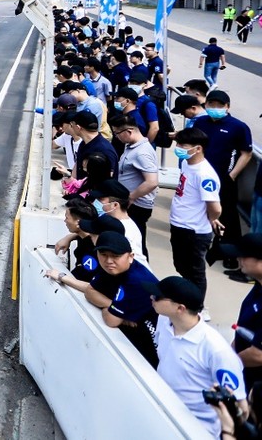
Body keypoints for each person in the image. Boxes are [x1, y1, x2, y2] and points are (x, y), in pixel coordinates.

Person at [148, 275, 248, 438]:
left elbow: (239, 405)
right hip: (162, 412)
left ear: (180, 308)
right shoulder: (164, 319)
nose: (152, 298)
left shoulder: (216, 350)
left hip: (195, 430)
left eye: (158, 297)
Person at [194, 90, 255, 282]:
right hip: (201, 177)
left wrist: (233, 174)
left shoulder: (238, 127)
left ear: (227, 107)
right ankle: (208, 245)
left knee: (227, 215)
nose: (215, 108)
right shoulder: (201, 122)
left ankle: (229, 252)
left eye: (219, 105)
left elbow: (246, 153)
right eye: (211, 104)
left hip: (224, 179)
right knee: (202, 210)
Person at [82, 231, 160, 366]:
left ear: (130, 257)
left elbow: (111, 320)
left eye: (115, 256)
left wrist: (113, 312)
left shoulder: (137, 280)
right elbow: (90, 291)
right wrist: (114, 308)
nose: (108, 261)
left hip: (152, 346)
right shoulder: (111, 268)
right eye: (103, 255)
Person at [170, 127, 224, 295]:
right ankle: (187, 296)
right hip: (179, 224)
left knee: (195, 272)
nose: (178, 147)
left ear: (198, 148)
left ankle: (197, 306)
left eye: (183, 145)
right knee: (181, 266)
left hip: (193, 230)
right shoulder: (187, 163)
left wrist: (211, 218)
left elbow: (215, 207)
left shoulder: (205, 174)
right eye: (178, 143)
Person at [111, 115, 159, 260]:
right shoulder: (131, 146)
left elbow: (152, 182)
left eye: (118, 133)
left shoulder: (142, 152)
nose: (117, 137)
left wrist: (131, 197)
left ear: (129, 131)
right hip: (131, 203)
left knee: (136, 243)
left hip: (137, 206)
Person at [222, 233, 262, 394]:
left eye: (243, 255)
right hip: (244, 375)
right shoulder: (258, 285)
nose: (238, 259)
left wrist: (227, 364)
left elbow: (259, 355)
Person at [72, 110, 119, 180]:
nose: (72, 127)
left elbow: (109, 177)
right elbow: (78, 164)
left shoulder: (104, 149)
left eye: (72, 125)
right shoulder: (84, 143)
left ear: (78, 127)